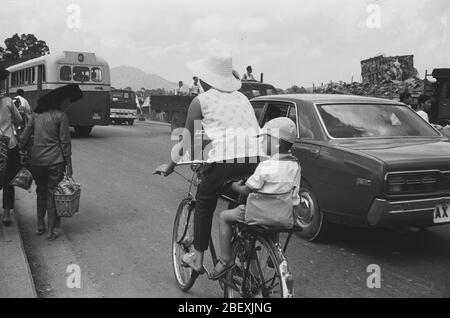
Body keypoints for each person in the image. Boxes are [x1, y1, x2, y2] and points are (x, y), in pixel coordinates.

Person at [154, 52, 263, 274]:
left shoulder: (200, 100)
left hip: (224, 161)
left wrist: (170, 166)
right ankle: (241, 251)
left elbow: (186, 140)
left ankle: (197, 258)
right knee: (238, 201)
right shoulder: (242, 98)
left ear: (205, 79)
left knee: (204, 203)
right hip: (256, 160)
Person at [209, 117, 300, 280]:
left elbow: (246, 190)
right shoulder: (295, 165)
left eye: (265, 139)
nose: (263, 142)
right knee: (275, 213)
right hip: (283, 216)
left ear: (277, 143)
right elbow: (293, 193)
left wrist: (234, 186)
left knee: (224, 217)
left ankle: (225, 261)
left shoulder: (266, 165)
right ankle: (274, 253)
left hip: (258, 213)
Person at [20, 84, 82, 241]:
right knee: (52, 194)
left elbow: (25, 135)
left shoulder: (36, 115)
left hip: (36, 162)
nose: (68, 105)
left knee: (40, 192)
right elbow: (65, 143)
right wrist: (69, 164)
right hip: (55, 162)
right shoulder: (61, 116)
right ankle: (50, 231)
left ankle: (40, 225)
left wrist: (21, 150)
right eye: (66, 102)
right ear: (59, 102)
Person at [0, 67, 23, 226]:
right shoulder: (8, 101)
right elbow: (19, 119)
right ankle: (7, 214)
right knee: (9, 180)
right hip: (9, 145)